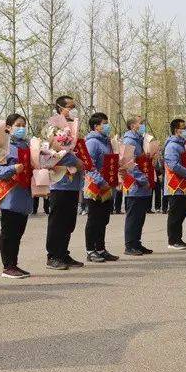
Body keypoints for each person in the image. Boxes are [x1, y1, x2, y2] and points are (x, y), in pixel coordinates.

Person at [0, 113, 34, 279]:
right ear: (8, 128)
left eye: (23, 125)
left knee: (18, 233)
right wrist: (13, 168)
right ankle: (7, 266)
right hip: (10, 194)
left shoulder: (28, 146)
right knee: (9, 232)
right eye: (18, 125)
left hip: (25, 194)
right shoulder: (3, 146)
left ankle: (14, 264)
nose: (21, 128)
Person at [46, 95, 83, 270]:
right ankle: (53, 255)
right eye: (70, 106)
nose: (73, 109)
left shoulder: (75, 128)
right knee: (57, 220)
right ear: (60, 108)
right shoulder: (52, 127)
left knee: (69, 220)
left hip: (73, 182)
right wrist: (73, 161)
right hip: (59, 181)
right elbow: (50, 153)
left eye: (74, 106)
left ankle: (63, 253)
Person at [83, 112, 119, 263]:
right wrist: (100, 181)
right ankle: (91, 250)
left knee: (103, 219)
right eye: (104, 123)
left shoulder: (107, 142)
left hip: (107, 186)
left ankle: (101, 248)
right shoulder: (92, 142)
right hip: (95, 187)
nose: (107, 126)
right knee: (94, 219)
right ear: (96, 126)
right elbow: (89, 165)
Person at [121, 116, 153, 255]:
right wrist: (142, 178)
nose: (142, 126)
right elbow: (129, 164)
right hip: (134, 184)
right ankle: (130, 245)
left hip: (143, 183)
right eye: (141, 124)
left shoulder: (140, 140)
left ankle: (137, 243)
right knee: (133, 216)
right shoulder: (129, 141)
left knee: (140, 216)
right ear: (133, 125)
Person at [163, 118, 186, 250]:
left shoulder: (182, 145)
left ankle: (178, 239)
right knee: (175, 214)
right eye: (183, 128)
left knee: (181, 213)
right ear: (176, 130)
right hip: (175, 186)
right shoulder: (172, 146)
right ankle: (173, 240)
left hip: (184, 185)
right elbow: (174, 165)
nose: (185, 130)